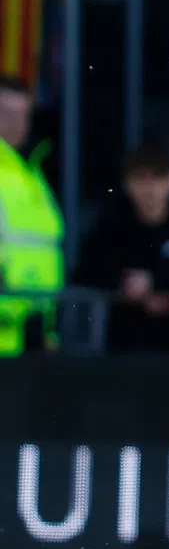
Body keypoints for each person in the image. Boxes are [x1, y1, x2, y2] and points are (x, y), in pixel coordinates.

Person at [73, 145, 169, 353]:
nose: (150, 189)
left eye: (158, 178)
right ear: (127, 183)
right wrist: (125, 285)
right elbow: (84, 272)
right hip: (122, 349)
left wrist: (161, 286)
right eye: (140, 178)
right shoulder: (113, 221)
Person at [0, 77, 58, 356]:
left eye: (22, 113)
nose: (15, 122)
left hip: (33, 331)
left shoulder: (34, 172)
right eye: (6, 113)